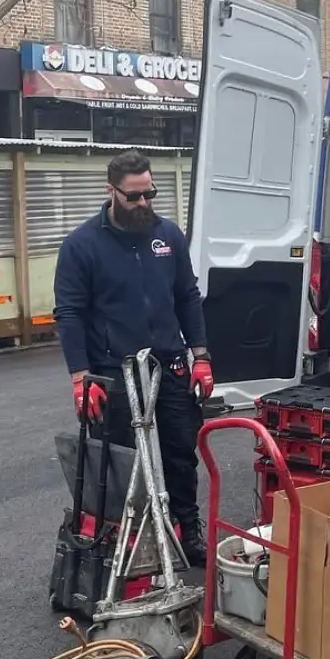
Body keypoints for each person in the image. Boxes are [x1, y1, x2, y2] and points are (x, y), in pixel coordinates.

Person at [53, 149, 214, 564]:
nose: (144, 204)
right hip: (114, 371)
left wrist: (201, 356)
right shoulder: (81, 245)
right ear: (111, 191)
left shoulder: (168, 236)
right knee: (121, 461)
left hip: (170, 365)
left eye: (150, 194)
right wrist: (80, 378)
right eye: (134, 197)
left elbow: (187, 297)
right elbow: (69, 313)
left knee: (180, 452)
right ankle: (124, 544)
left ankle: (187, 530)